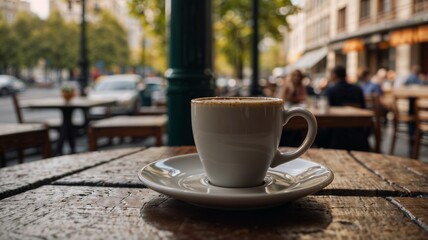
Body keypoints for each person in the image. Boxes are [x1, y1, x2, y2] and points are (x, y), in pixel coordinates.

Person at [319, 65, 370, 151]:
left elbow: (325, 111)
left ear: (334, 75)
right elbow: (363, 109)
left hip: (335, 140)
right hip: (358, 137)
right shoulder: (357, 89)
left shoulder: (331, 91)